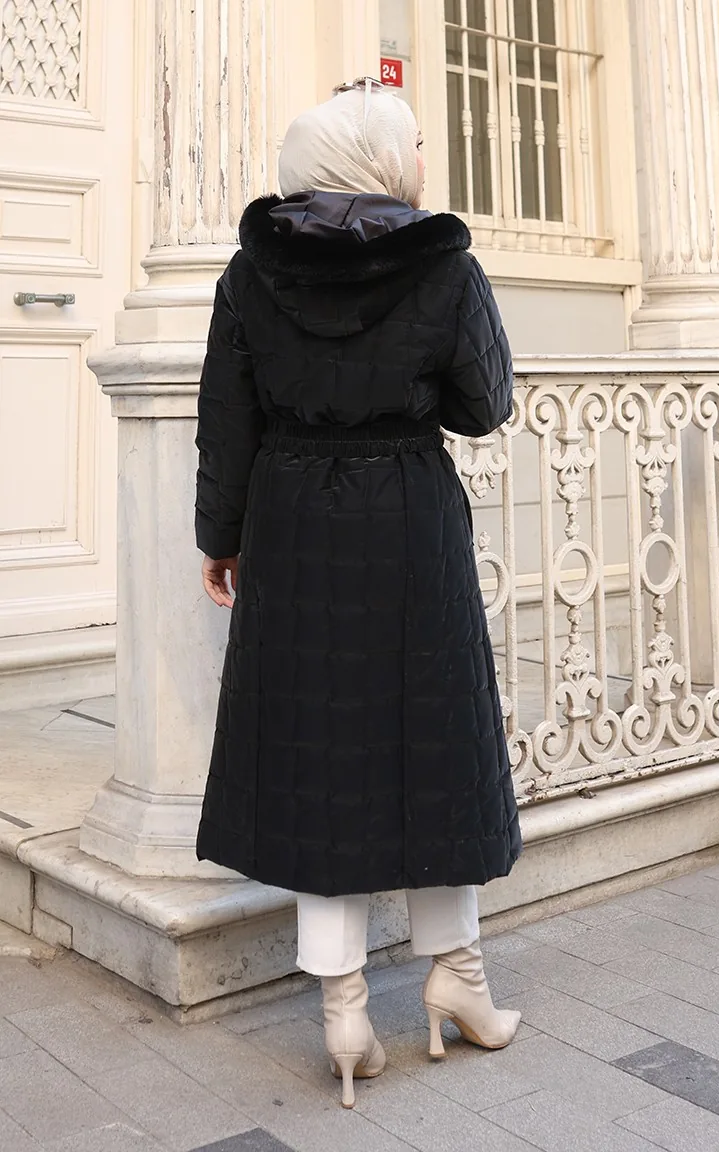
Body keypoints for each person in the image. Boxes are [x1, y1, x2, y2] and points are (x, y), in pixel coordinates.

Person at [194, 77, 522, 1108]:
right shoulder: (443, 263)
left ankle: (342, 1009)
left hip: (292, 520)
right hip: (407, 515)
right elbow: (482, 405)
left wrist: (220, 538)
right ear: (377, 160)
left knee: (317, 749)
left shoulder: (251, 273)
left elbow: (227, 419)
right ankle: (458, 978)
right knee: (438, 737)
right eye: (413, 143)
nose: (425, 158)